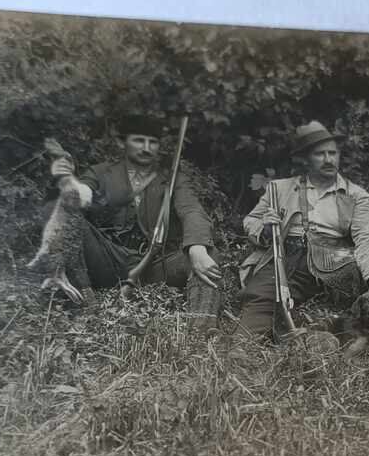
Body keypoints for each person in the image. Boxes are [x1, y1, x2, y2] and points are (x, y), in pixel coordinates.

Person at [29, 114, 223, 326]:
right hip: (107, 260)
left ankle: (202, 330)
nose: (147, 148)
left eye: (153, 142)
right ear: (122, 142)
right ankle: (85, 303)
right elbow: (79, 197)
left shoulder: (172, 178)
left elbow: (192, 209)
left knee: (208, 253)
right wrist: (65, 179)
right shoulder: (101, 172)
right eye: (139, 140)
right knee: (59, 211)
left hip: (155, 266)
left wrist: (197, 247)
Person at [237, 121, 369, 339]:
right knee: (262, 294)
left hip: (336, 260)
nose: (328, 160)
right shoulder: (280, 188)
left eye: (332, 153)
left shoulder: (356, 195)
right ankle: (242, 345)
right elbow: (251, 220)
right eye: (320, 154)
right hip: (286, 255)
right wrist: (265, 228)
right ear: (305, 159)